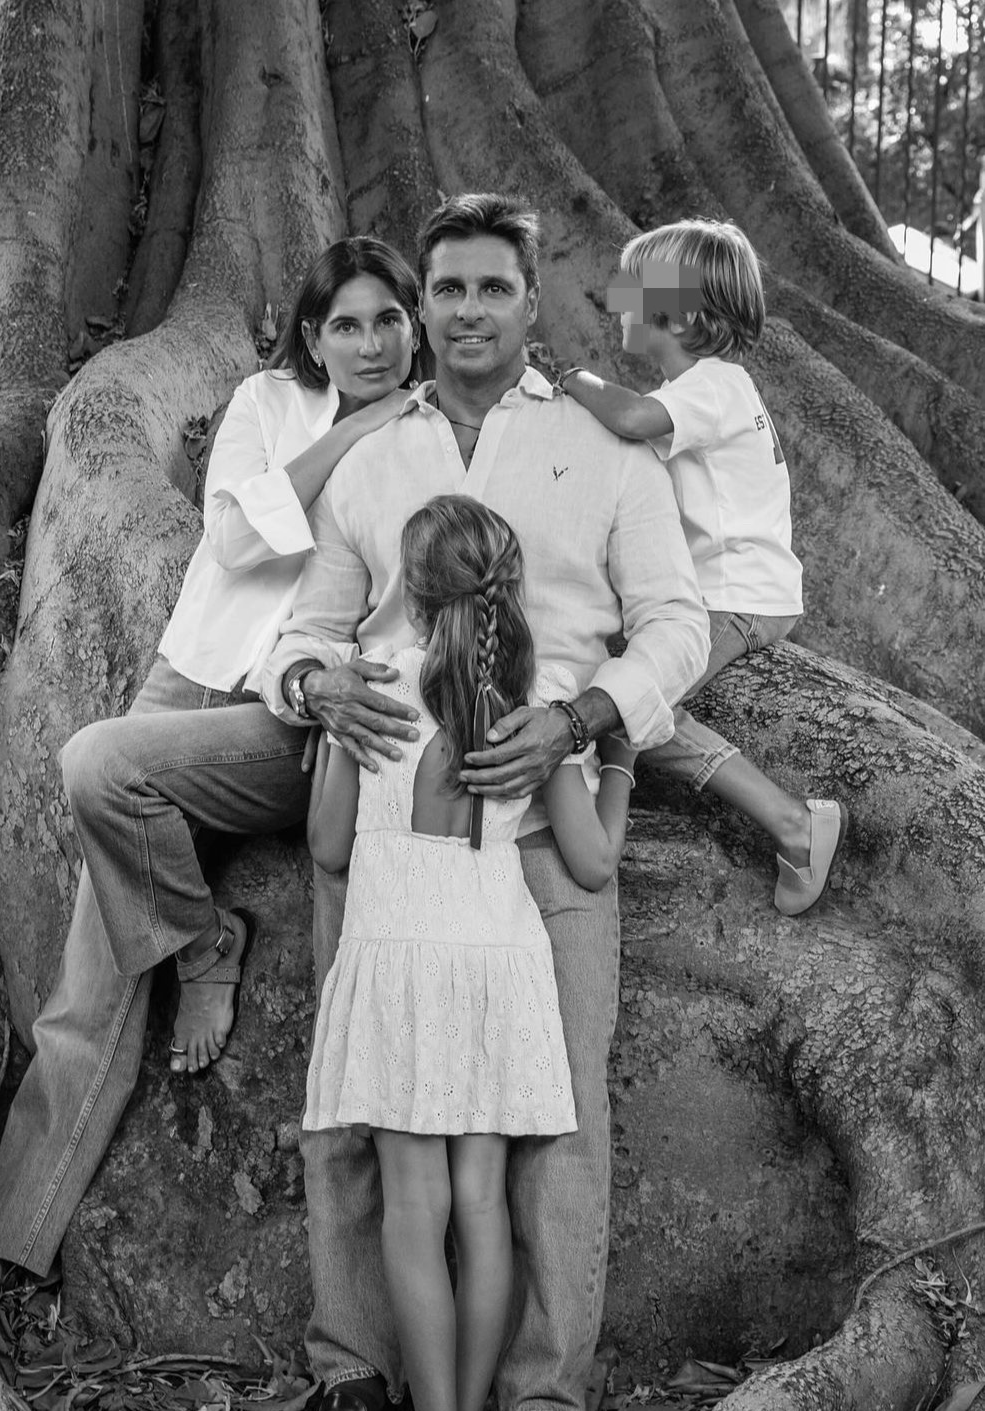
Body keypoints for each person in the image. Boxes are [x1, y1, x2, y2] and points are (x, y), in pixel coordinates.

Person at [263, 193, 710, 1411]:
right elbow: (303, 628)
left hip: (542, 805)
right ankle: (356, 1372)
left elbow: (678, 624)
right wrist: (322, 693)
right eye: (446, 289)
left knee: (553, 1136)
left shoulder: (602, 448)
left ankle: (540, 1394)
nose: (467, 310)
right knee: (361, 1120)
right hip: (396, 816)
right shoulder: (372, 450)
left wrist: (581, 721)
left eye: (491, 288)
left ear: (530, 301)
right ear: (423, 308)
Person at [0, 236, 423, 1320]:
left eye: (388, 320)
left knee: (109, 783)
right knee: (90, 973)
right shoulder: (265, 401)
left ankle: (207, 942)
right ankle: (7, 1239)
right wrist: (354, 431)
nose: (368, 341)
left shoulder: (442, 430)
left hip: (296, 706)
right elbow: (233, 534)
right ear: (312, 335)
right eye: (344, 323)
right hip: (192, 672)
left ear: (416, 326)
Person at [303, 495, 638, 1411]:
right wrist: (618, 771)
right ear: (509, 592)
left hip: (395, 957)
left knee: (415, 1210)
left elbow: (329, 847)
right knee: (483, 1206)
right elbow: (592, 860)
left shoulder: (365, 688)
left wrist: (336, 741)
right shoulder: (530, 709)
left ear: (409, 597)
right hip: (497, 959)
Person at [558, 217, 846, 915]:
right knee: (626, 693)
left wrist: (573, 379)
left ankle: (795, 824)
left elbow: (626, 417)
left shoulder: (710, 386)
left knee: (630, 701)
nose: (615, 299)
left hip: (735, 596)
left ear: (680, 311)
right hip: (735, 589)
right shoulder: (705, 390)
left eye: (633, 288)